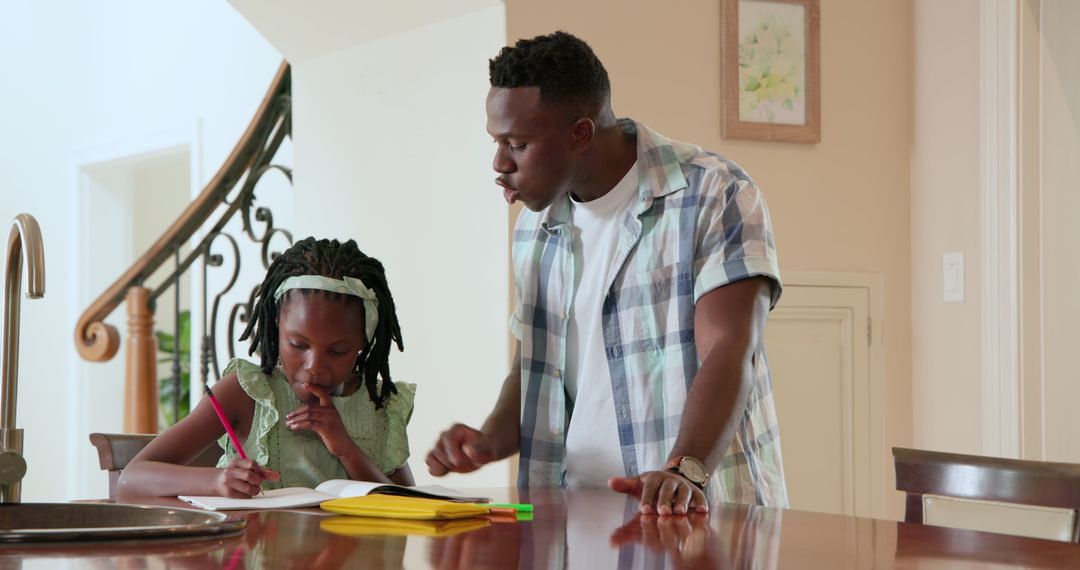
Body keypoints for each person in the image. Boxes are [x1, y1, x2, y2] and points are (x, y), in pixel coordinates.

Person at [426, 31, 787, 515]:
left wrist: (685, 469)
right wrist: (488, 440)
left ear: (580, 133)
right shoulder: (534, 226)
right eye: (497, 142)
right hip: (569, 517)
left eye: (517, 143)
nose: (499, 163)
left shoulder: (712, 195)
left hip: (692, 515)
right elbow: (533, 366)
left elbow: (729, 350)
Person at [118, 237, 414, 498]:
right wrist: (217, 481)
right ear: (276, 327)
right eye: (298, 345)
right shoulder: (247, 393)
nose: (315, 367)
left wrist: (346, 449)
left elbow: (408, 506)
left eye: (337, 351)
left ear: (364, 340)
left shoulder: (380, 407)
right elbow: (132, 478)